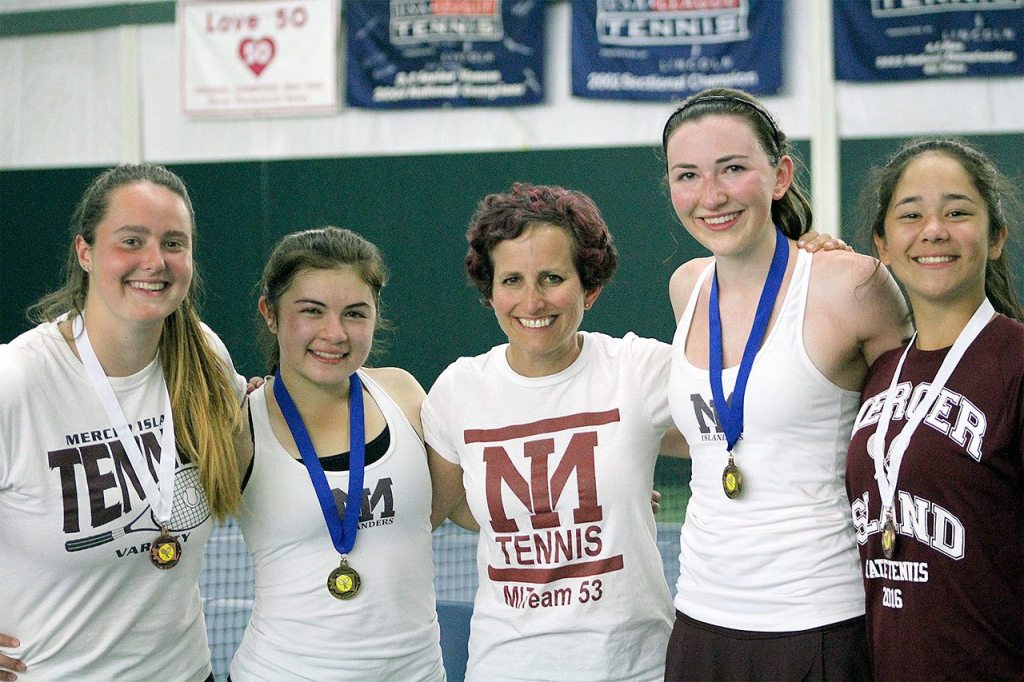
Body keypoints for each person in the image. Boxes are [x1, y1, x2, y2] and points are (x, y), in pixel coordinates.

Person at [661, 88, 912, 680]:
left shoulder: (850, 286)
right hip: (700, 618)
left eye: (733, 169)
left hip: (818, 621)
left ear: (780, 176)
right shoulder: (686, 287)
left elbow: (915, 427)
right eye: (687, 175)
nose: (711, 196)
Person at [0, 164, 247, 681]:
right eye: (131, 240)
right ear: (85, 252)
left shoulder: (204, 358)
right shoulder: (18, 380)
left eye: (173, 243)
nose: (154, 262)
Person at [228, 226, 446, 681]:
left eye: (355, 313)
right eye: (312, 311)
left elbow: (455, 509)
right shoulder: (239, 425)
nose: (335, 333)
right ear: (270, 313)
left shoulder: (404, 395)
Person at [845, 138, 1024, 679]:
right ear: (883, 243)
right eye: (911, 214)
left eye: (958, 212)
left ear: (995, 238)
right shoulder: (879, 372)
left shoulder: (1016, 362)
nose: (934, 230)